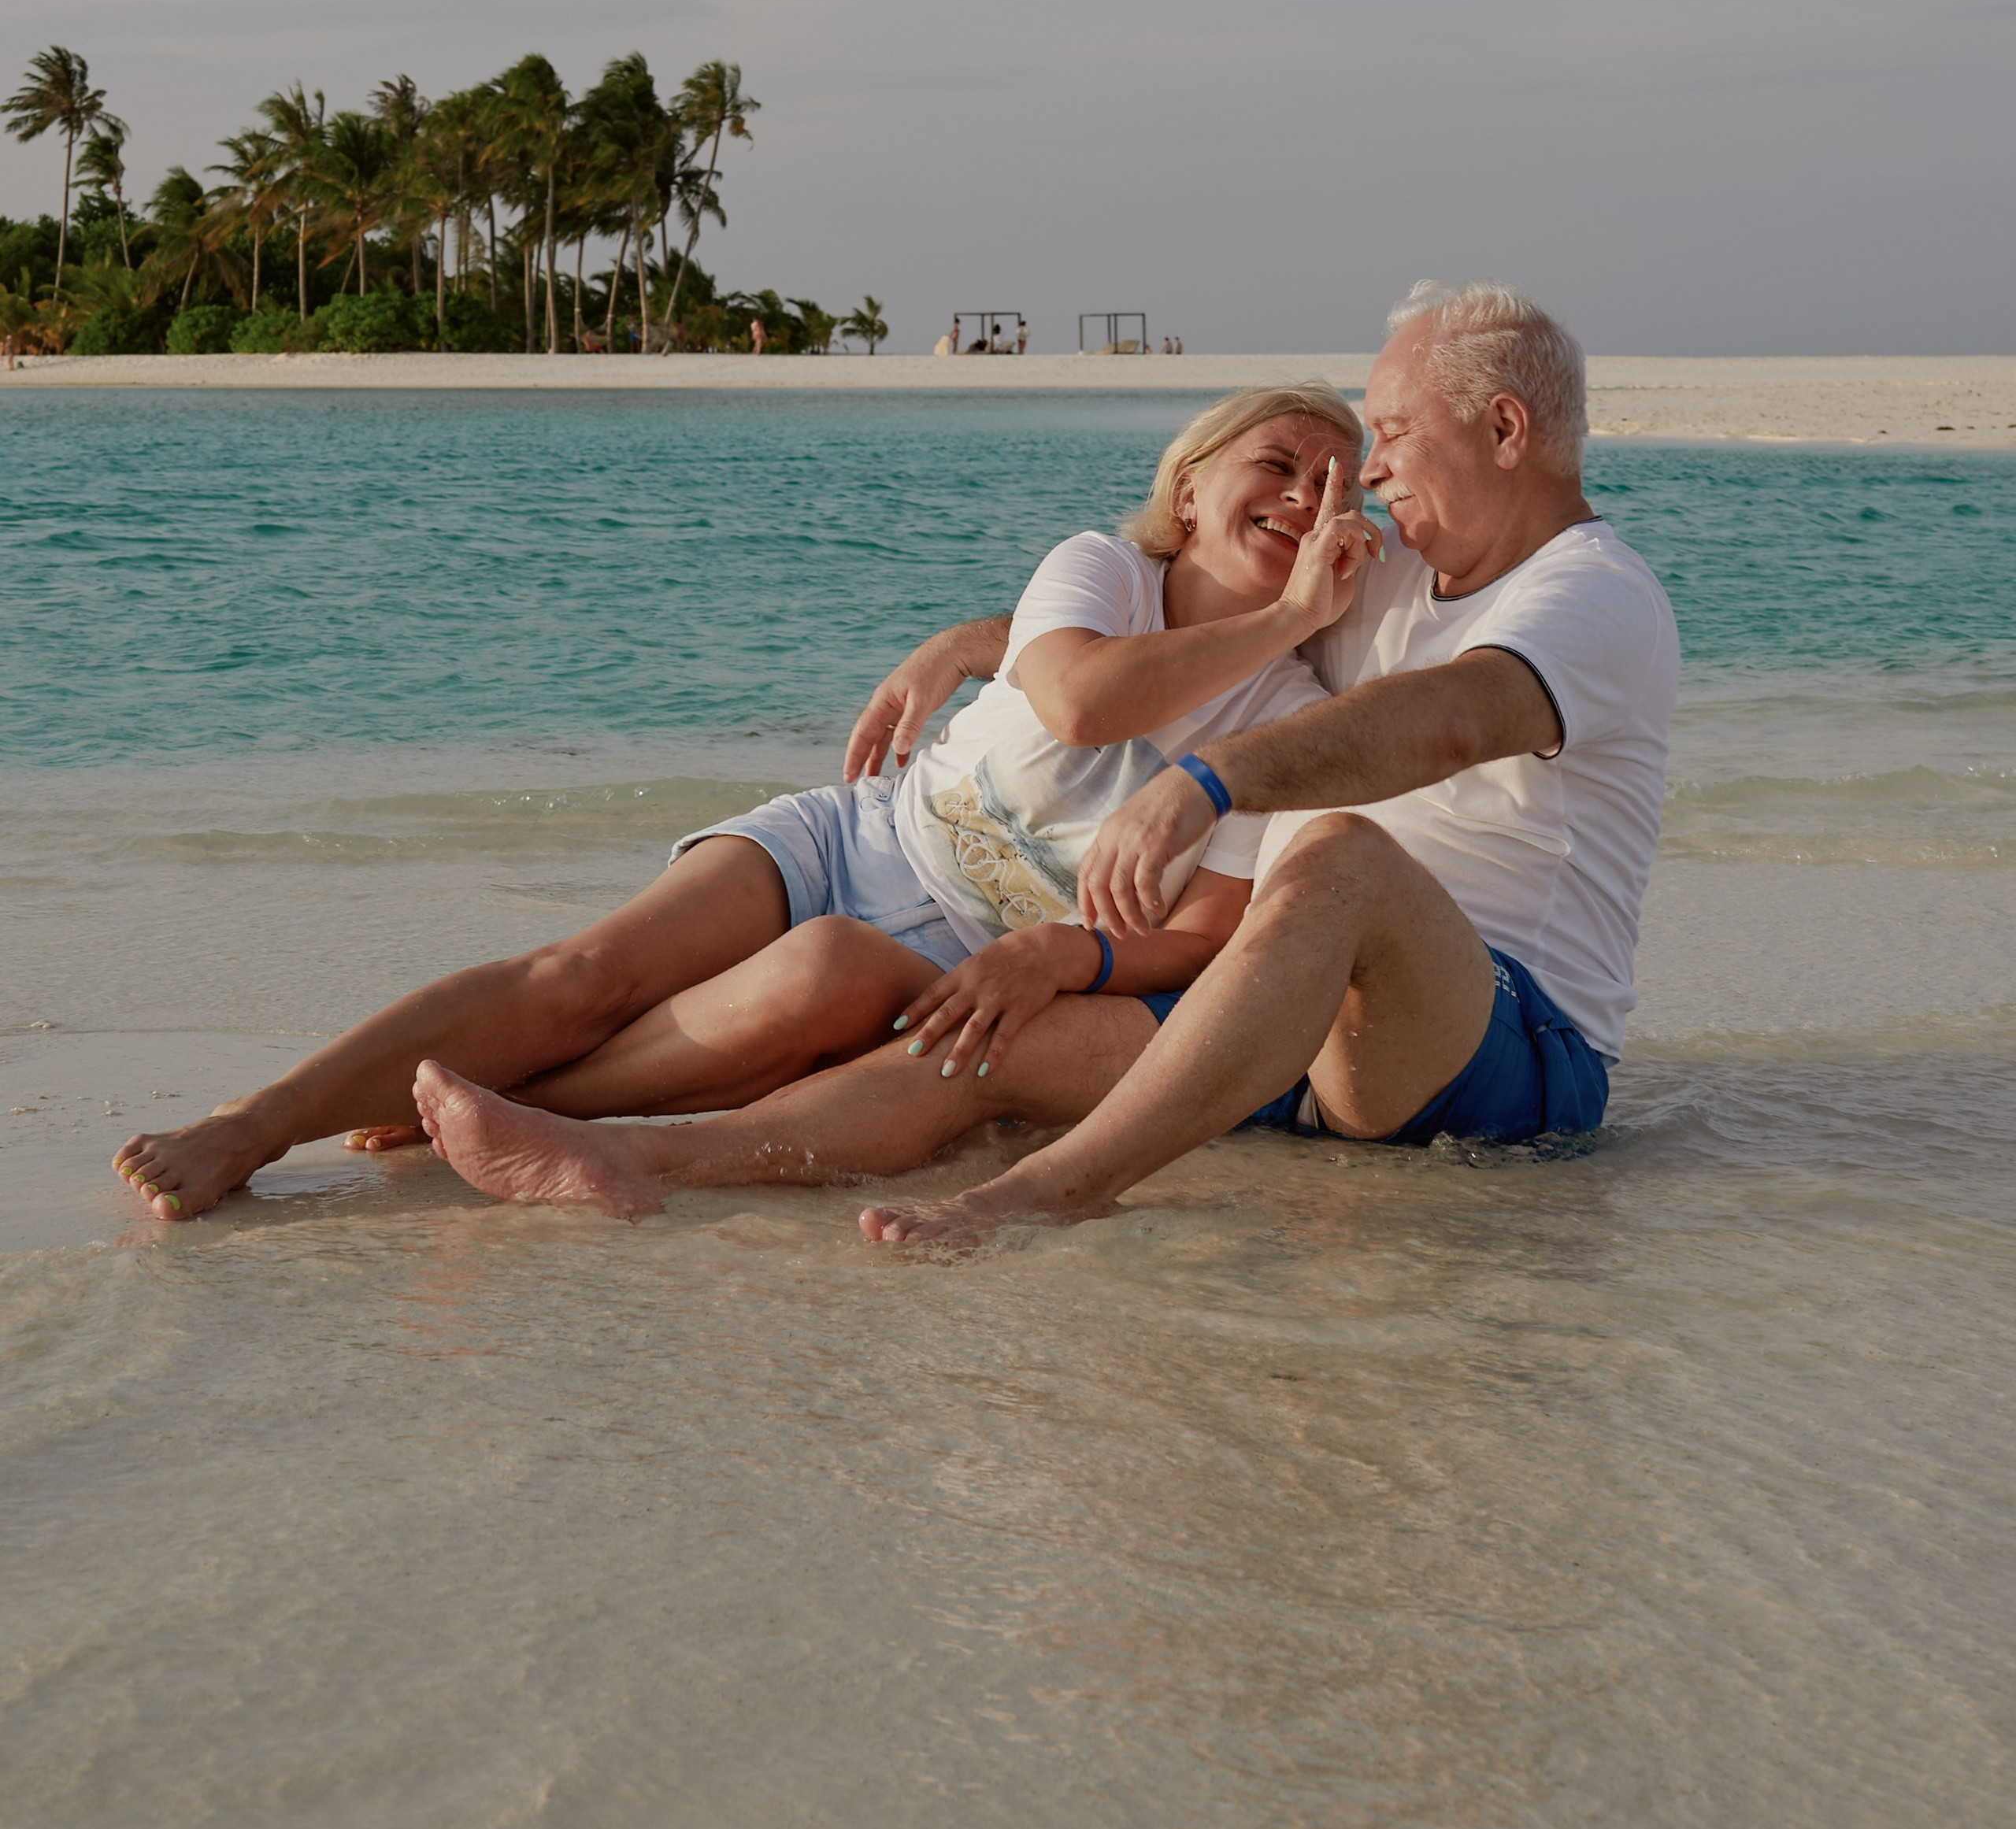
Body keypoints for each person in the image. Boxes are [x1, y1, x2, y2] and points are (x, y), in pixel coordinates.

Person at [396, 280, 1678, 1239]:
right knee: (976, 1038)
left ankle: (1043, 1199)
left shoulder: (1592, 596)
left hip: (1497, 1041)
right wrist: (980, 644)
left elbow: (1452, 719)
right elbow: (1194, 602)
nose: (1372, 472)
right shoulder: (1383, 567)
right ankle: (632, 1160)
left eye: (1391, 434)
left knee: (1343, 852)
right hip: (1287, 1003)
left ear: (1506, 428)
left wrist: (1208, 783)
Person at [113, 387, 1375, 1219]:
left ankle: (512, 1115)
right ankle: (259, 1121)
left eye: (1338, 486)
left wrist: (1067, 951)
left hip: (962, 956)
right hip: (862, 834)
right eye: (1279, 464)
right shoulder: (1097, 569)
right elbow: (1083, 700)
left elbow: (1213, 931)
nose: (1305, 497)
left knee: (821, 969)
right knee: (580, 974)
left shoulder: (1295, 719)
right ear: (1195, 481)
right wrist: (1284, 612)